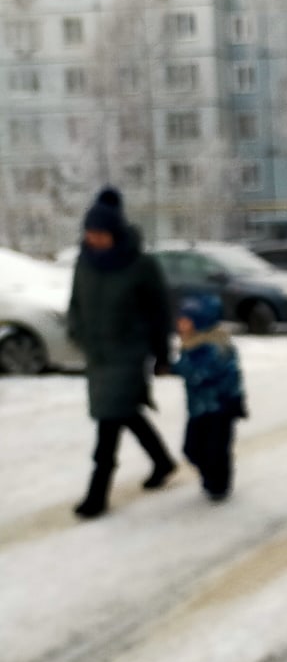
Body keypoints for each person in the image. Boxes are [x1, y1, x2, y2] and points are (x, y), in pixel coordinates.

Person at [67, 187, 176, 518]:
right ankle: (162, 461)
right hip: (98, 354)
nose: (94, 239)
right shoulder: (84, 262)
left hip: (128, 352)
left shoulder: (141, 265)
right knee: (125, 412)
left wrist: (162, 354)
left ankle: (97, 495)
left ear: (114, 232)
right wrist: (77, 332)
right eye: (90, 233)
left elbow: (160, 312)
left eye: (100, 233)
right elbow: (75, 303)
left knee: (109, 420)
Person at [171, 294, 246, 501]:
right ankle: (211, 477)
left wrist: (175, 368)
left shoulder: (215, 345)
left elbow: (203, 373)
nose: (180, 324)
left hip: (220, 407)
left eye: (186, 320)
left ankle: (219, 485)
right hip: (199, 408)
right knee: (192, 448)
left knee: (217, 449)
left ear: (200, 320)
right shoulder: (192, 343)